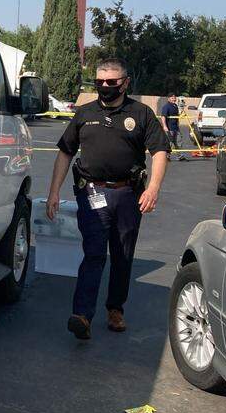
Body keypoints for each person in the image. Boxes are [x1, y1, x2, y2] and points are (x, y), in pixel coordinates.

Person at [46, 58, 170, 340]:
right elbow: (65, 152)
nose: (105, 86)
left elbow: (160, 151)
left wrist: (153, 188)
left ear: (125, 83)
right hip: (92, 193)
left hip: (128, 194)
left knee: (122, 254)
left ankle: (115, 308)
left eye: (111, 82)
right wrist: (54, 191)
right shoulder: (84, 113)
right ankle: (82, 315)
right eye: (99, 82)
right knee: (94, 252)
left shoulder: (141, 114)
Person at [161, 94, 188, 161]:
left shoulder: (175, 106)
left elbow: (177, 116)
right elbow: (163, 116)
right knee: (170, 142)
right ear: (169, 98)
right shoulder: (166, 106)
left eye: (174, 98)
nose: (174, 99)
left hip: (176, 128)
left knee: (178, 141)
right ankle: (167, 156)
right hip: (169, 128)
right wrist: (164, 126)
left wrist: (181, 112)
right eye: (172, 98)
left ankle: (180, 156)